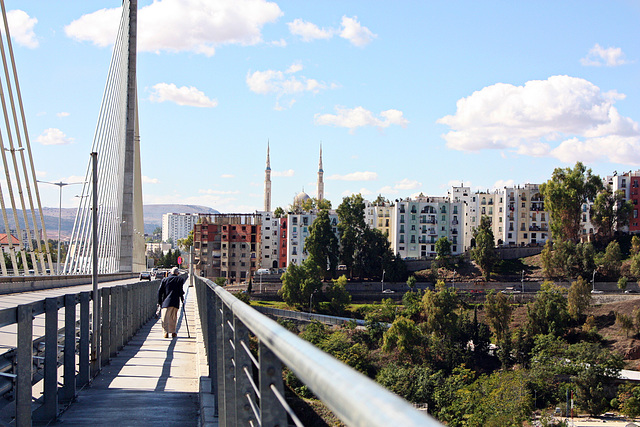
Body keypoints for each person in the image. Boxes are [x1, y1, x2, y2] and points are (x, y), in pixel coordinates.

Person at [157, 267, 186, 338]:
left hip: (166, 302)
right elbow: (180, 291)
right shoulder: (180, 279)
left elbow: (160, 292)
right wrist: (182, 297)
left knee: (165, 317)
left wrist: (159, 302)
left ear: (170, 272)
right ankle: (173, 332)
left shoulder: (165, 280)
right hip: (175, 301)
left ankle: (165, 333)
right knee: (173, 317)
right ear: (177, 273)